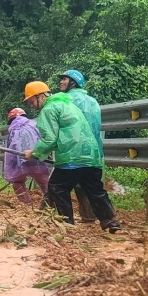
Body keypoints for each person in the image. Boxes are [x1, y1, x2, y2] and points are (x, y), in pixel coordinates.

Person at [21, 80, 123, 233]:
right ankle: (111, 221)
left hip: (72, 157)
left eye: (31, 101)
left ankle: (67, 223)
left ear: (41, 96)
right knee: (95, 190)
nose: (31, 105)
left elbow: (50, 139)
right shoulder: (68, 104)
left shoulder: (48, 110)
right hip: (91, 155)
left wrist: (34, 152)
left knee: (57, 187)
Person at [58, 69, 103, 224]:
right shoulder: (93, 101)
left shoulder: (65, 99)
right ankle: (90, 216)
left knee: (57, 185)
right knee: (87, 183)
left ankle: (53, 217)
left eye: (64, 79)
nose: (61, 82)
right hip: (94, 150)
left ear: (73, 82)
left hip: (73, 149)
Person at [3, 108, 51, 205]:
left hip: (20, 163)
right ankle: (50, 202)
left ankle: (26, 204)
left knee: (17, 181)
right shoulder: (35, 125)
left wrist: (11, 167)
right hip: (37, 160)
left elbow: (11, 151)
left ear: (11, 120)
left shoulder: (13, 129)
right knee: (45, 182)